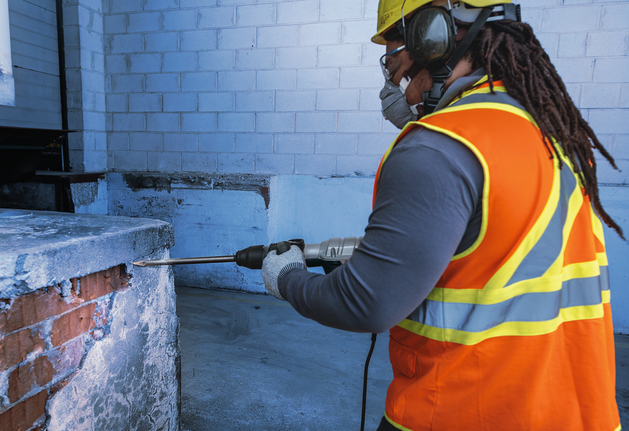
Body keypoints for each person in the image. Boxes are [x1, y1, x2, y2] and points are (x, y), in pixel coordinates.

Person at [260, 1, 623, 430]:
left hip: (460, 412)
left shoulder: (438, 149)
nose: (391, 69)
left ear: (434, 33)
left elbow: (365, 302)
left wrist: (287, 279)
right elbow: (501, 254)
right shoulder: (559, 134)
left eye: (395, 44)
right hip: (575, 416)